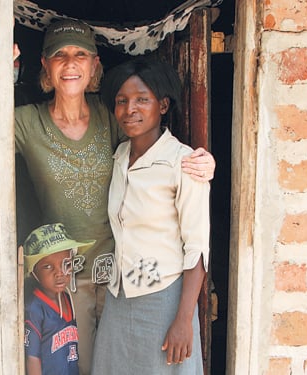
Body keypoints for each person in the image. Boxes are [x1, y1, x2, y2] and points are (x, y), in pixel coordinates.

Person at [14, 19, 215, 375]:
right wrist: (1, 72)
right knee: (94, 366)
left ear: (95, 65)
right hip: (70, 279)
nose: (70, 63)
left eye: (80, 54)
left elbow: (194, 240)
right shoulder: (31, 124)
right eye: (59, 55)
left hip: (125, 277)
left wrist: (203, 163)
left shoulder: (112, 120)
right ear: (45, 65)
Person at [91, 58, 210, 374]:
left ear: (163, 105)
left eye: (142, 99)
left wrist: (184, 319)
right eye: (122, 101)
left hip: (164, 299)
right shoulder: (119, 158)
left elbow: (197, 248)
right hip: (120, 295)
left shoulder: (183, 162)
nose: (130, 109)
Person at [23, 223, 95, 375]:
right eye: (48, 267)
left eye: (66, 264)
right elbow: (32, 357)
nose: (59, 273)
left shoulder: (67, 298)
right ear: (34, 272)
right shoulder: (35, 308)